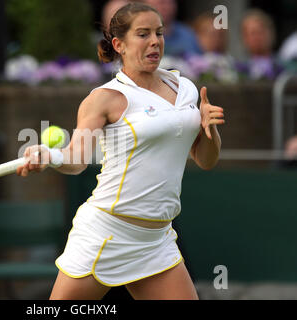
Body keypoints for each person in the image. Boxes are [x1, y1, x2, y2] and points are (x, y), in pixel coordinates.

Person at [17, 3, 224, 300]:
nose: (155, 41)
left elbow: (206, 160)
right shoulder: (104, 99)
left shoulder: (187, 90)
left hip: (156, 240)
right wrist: (49, 157)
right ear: (119, 44)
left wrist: (209, 129)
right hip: (107, 232)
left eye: (159, 33)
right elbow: (76, 159)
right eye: (143, 34)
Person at [240, 9, 282, 80]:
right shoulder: (239, 71)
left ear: (271, 34)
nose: (257, 38)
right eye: (253, 33)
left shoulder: (285, 67)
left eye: (260, 32)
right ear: (245, 38)